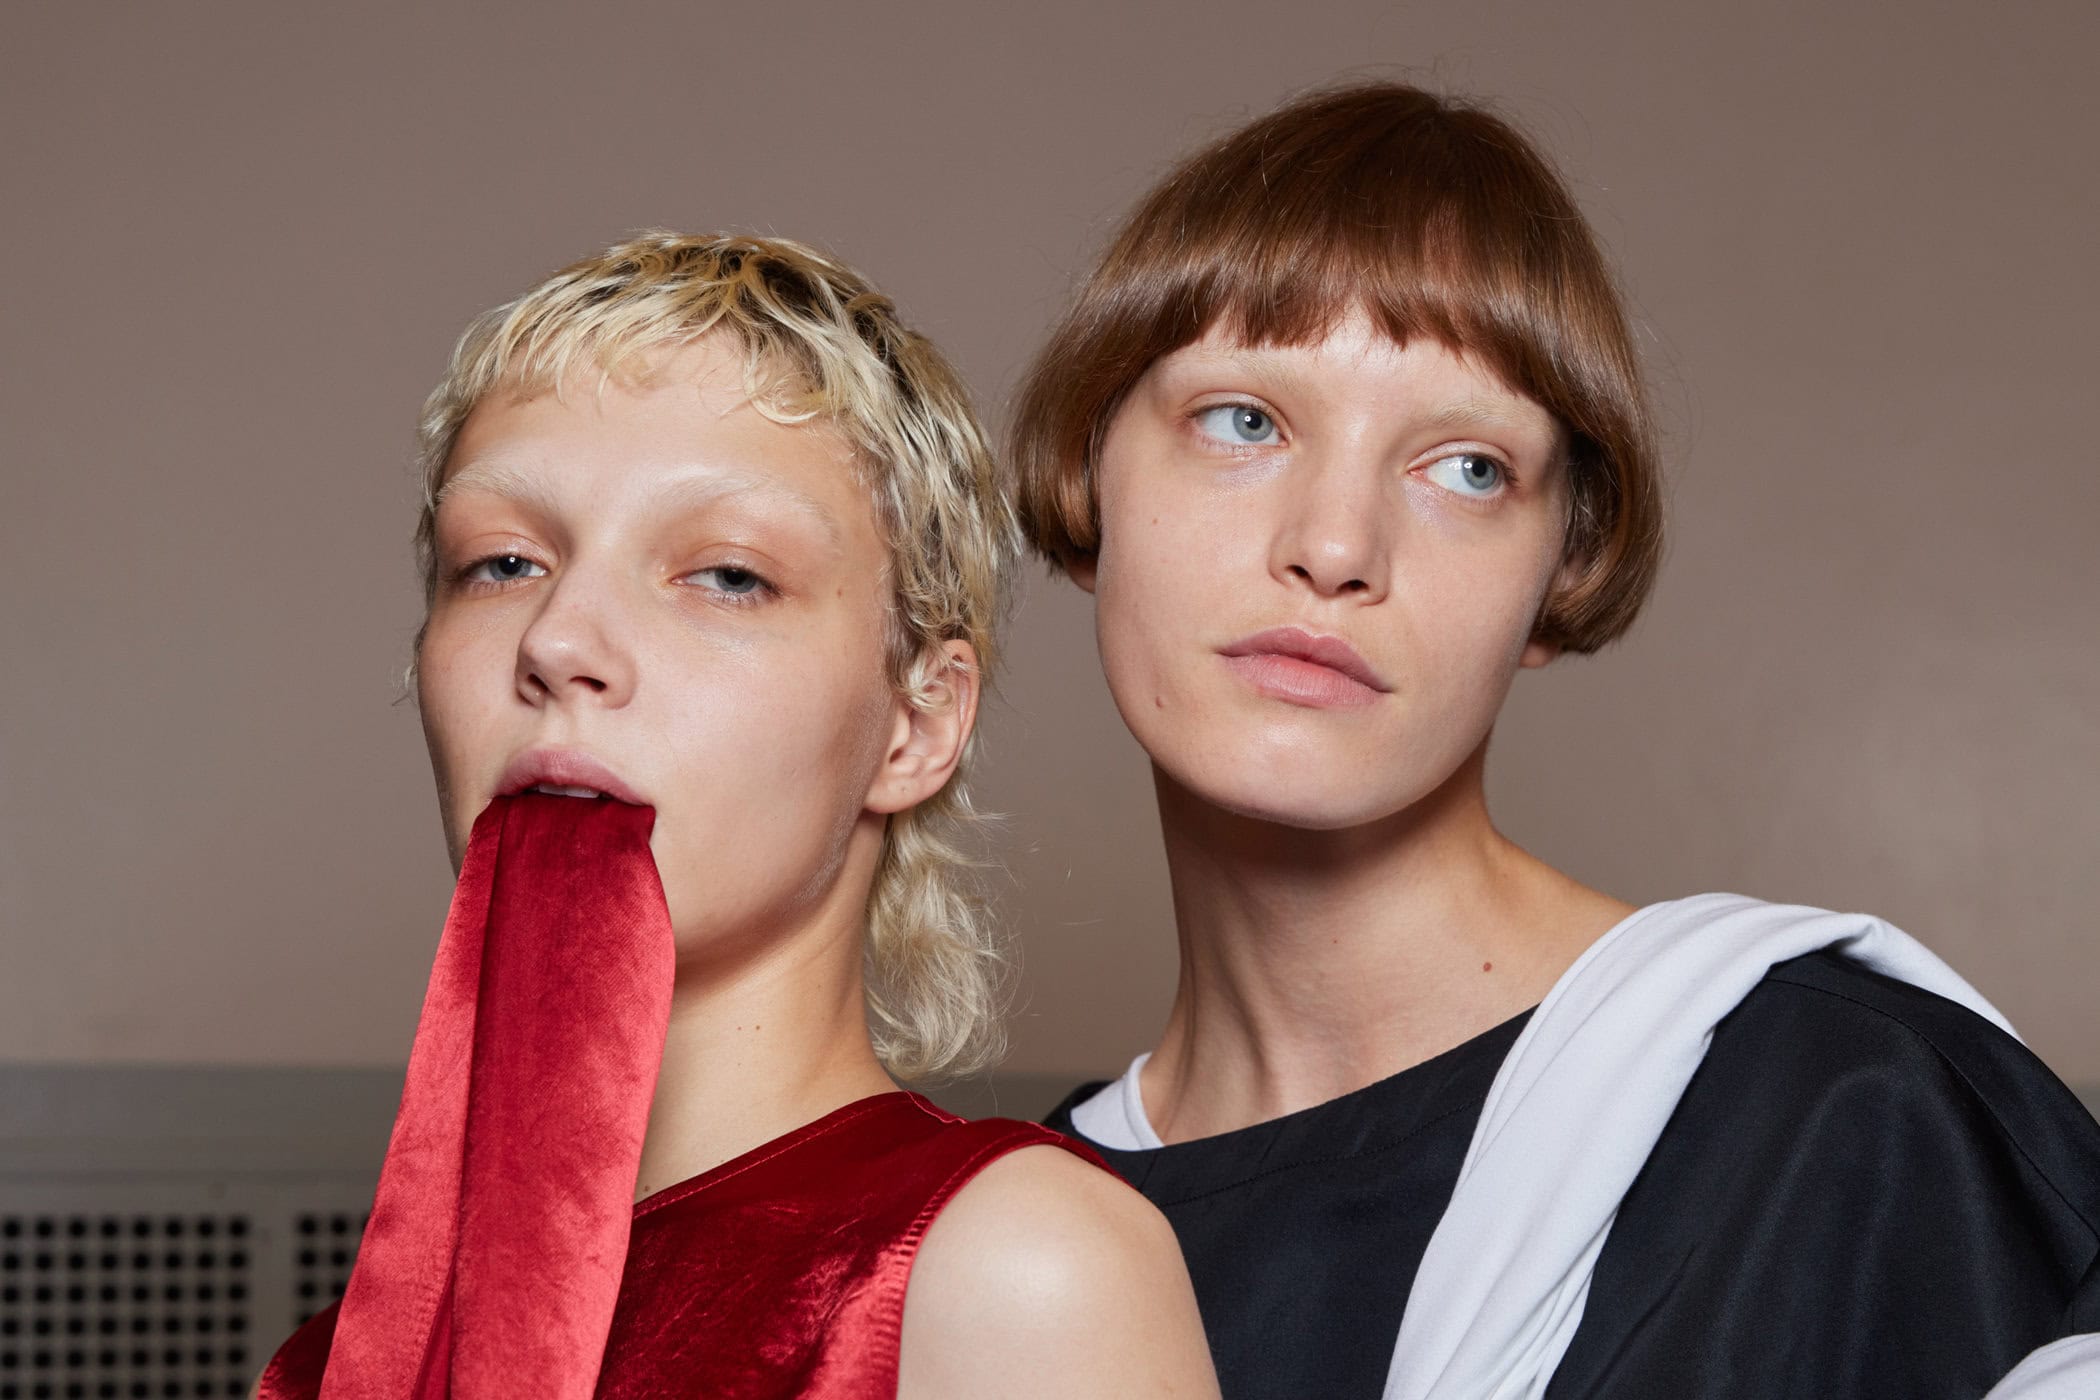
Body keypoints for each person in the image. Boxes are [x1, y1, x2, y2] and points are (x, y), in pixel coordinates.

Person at [1010, 82, 2100, 1399]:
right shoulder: (995, 1249)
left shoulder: (1845, 1111)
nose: (1336, 546)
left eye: (1467, 467)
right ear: (1089, 469)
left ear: (1561, 570)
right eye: (1244, 420)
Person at [257, 233, 1219, 1399]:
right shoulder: (325, 1364)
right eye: (502, 562)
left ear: (917, 722)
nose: (557, 640)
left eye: (726, 574)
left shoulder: (1012, 1275)